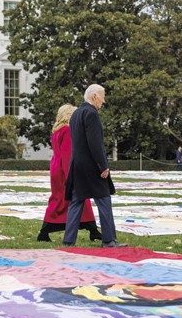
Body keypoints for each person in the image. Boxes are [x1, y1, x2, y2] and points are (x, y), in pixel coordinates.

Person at [63, 84, 127, 248]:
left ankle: (69, 240)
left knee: (77, 201)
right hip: (91, 166)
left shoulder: (76, 113)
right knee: (104, 199)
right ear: (94, 96)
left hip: (77, 164)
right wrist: (103, 165)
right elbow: (95, 143)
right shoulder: (91, 113)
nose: (103, 101)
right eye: (102, 97)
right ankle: (108, 239)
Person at [36, 104, 102, 242]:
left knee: (59, 199)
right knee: (77, 196)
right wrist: (71, 175)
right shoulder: (67, 130)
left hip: (56, 167)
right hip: (64, 169)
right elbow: (68, 154)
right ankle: (92, 229)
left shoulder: (56, 130)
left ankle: (92, 229)